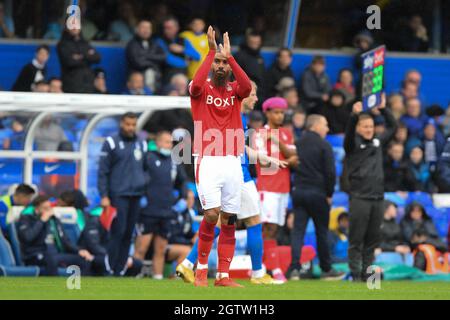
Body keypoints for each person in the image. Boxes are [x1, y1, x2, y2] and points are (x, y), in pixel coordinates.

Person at [176, 82, 285, 285]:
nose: (255, 99)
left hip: (234, 174)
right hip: (238, 177)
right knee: (252, 221)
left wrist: (264, 158)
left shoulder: (238, 117)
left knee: (218, 223)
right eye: (252, 94)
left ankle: (189, 264)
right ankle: (257, 273)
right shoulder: (232, 113)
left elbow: (241, 147)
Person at [189, 26, 251, 287]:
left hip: (232, 160)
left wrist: (231, 56)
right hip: (208, 158)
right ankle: (201, 270)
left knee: (230, 218)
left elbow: (247, 87)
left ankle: (223, 276)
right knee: (212, 214)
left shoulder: (235, 92)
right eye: (218, 62)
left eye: (224, 63)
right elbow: (196, 85)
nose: (222, 67)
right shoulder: (200, 90)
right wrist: (211, 51)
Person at [343, 95, 397, 281]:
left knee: (372, 240)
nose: (368, 129)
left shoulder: (378, 142)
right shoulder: (352, 145)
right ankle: (355, 275)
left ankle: (368, 275)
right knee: (356, 239)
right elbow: (348, 135)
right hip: (359, 198)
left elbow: (393, 127)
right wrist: (353, 116)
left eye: (371, 126)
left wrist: (383, 109)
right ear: (359, 128)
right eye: (365, 126)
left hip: (378, 199)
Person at [288, 114, 344, 280]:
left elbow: (291, 167)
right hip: (318, 194)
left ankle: (295, 269)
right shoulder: (324, 145)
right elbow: (330, 173)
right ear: (315, 126)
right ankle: (326, 269)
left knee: (298, 231)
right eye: (325, 125)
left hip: (299, 192)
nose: (327, 129)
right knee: (321, 232)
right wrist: (329, 194)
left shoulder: (296, 144)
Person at [98, 112, 148, 276]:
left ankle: (120, 269)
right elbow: (103, 172)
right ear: (121, 123)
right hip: (118, 194)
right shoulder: (111, 142)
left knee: (128, 233)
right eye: (128, 124)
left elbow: (146, 169)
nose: (130, 128)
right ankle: (109, 268)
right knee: (118, 232)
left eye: (133, 125)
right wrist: (104, 195)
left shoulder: (142, 143)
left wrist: (143, 184)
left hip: (136, 194)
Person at [134, 131, 187, 280]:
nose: (168, 145)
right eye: (165, 142)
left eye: (170, 142)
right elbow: (137, 177)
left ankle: (157, 277)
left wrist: (182, 199)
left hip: (166, 212)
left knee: (161, 249)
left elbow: (182, 182)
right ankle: (133, 274)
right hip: (148, 211)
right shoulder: (148, 158)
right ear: (157, 143)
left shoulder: (175, 162)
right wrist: (141, 196)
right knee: (142, 247)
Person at [254, 97, 298, 241]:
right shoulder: (259, 134)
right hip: (267, 188)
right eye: (276, 112)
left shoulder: (286, 133)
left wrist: (276, 141)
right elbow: (263, 163)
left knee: (276, 229)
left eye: (282, 113)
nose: (280, 116)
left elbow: (296, 159)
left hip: (283, 188)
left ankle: (270, 261)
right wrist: (287, 161)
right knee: (267, 227)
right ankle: (261, 262)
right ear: (267, 113)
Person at [17, 195, 93, 276]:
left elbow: (66, 242)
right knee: (51, 259)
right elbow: (28, 237)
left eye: (49, 207)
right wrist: (41, 220)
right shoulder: (27, 219)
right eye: (45, 208)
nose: (48, 211)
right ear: (36, 209)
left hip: (56, 254)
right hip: (36, 254)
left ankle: (81, 286)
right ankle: (53, 287)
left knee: (84, 259)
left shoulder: (54, 220)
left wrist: (79, 251)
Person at [156, 17, 201, 85]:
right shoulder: (160, 41)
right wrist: (184, 63)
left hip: (183, 73)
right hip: (166, 73)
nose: (166, 30)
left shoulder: (183, 40)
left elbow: (197, 56)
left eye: (169, 28)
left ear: (176, 28)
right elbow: (167, 58)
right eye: (165, 28)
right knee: (181, 82)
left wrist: (182, 50)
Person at [57, 24, 101, 93]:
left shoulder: (85, 43)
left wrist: (80, 56)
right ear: (67, 28)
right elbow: (70, 62)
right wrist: (87, 55)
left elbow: (97, 58)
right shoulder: (62, 44)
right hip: (71, 84)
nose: (75, 27)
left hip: (88, 83)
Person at [125, 20, 166, 93]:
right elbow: (138, 63)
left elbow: (163, 57)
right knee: (149, 73)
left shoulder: (154, 43)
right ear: (137, 29)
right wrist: (153, 63)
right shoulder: (132, 44)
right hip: (137, 74)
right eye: (143, 27)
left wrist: (147, 56)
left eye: (148, 28)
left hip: (156, 75)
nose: (146, 30)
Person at [234, 30, 266, 105]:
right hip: (246, 93)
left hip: (259, 94)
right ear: (247, 42)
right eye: (252, 42)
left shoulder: (260, 57)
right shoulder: (239, 56)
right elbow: (235, 77)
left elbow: (262, 78)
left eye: (257, 43)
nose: (254, 45)